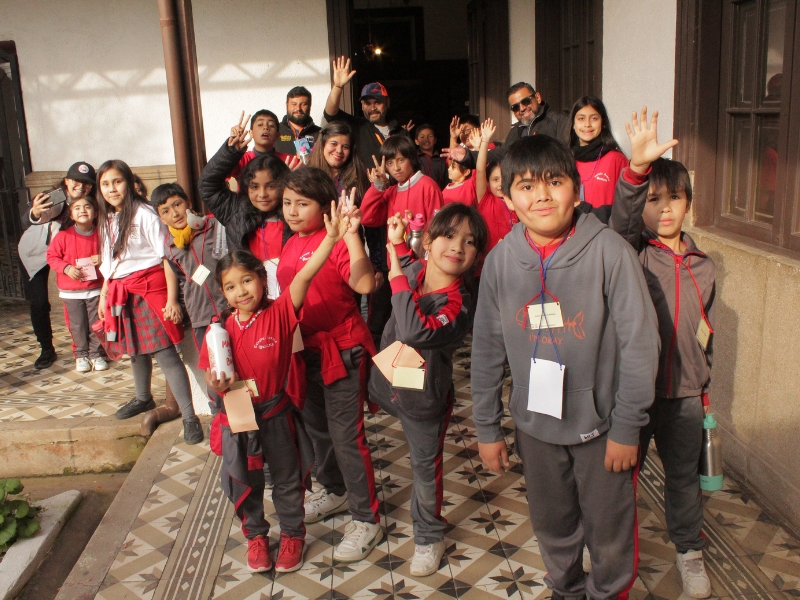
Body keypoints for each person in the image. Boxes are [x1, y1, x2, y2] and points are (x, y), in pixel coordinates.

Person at [471, 134, 660, 600]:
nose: (541, 196)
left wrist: (627, 426)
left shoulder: (609, 251)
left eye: (554, 182)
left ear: (576, 189)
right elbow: (487, 349)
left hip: (603, 430)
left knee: (610, 530)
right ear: (507, 197)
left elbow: (640, 344)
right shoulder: (499, 262)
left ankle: (608, 592)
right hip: (535, 428)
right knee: (552, 523)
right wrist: (487, 428)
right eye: (526, 186)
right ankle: (566, 588)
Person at [200, 202, 351, 573]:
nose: (241, 291)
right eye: (230, 286)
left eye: (247, 281)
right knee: (247, 482)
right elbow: (209, 374)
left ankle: (293, 534)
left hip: (275, 414)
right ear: (223, 293)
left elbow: (303, 278)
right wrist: (214, 383)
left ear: (261, 279)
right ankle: (255, 536)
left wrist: (331, 240)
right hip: (239, 418)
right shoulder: (219, 330)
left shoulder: (280, 313)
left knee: (286, 479)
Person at [609, 108, 714, 599]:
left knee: (683, 479)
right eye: (654, 200)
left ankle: (689, 551)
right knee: (620, 479)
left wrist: (704, 387)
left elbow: (704, 332)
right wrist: (635, 171)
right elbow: (622, 222)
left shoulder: (704, 266)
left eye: (675, 198)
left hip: (686, 395)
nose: (665, 209)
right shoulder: (631, 254)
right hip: (637, 394)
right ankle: (608, 549)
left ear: (689, 203)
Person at [369, 204, 487, 576]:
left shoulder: (458, 306)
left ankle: (428, 536)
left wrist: (395, 278)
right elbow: (408, 262)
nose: (458, 247)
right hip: (389, 383)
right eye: (449, 235)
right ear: (430, 241)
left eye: (470, 241)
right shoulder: (416, 270)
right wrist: (398, 244)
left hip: (424, 400)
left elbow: (412, 331)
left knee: (424, 468)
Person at [276, 169, 382, 563]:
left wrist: (351, 234)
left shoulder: (335, 240)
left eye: (302, 203)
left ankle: (366, 518)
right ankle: (335, 489)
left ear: (325, 206)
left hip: (343, 350)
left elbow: (364, 284)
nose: (292, 211)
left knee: (346, 437)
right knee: (317, 430)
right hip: (304, 351)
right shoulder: (291, 242)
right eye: (287, 203)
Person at [95, 160, 203, 445]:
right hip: (121, 291)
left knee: (165, 353)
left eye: (117, 181)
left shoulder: (144, 214)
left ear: (129, 183)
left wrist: (172, 299)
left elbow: (166, 256)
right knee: (134, 350)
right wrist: (104, 296)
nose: (112, 189)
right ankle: (143, 397)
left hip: (148, 291)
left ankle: (189, 416)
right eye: (105, 184)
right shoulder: (106, 219)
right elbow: (110, 263)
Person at [151, 182, 228, 412]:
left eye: (177, 204)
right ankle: (219, 415)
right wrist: (174, 302)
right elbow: (178, 276)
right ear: (161, 218)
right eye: (166, 211)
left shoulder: (214, 227)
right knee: (213, 368)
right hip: (201, 315)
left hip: (228, 307)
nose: (175, 213)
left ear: (188, 203)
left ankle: (245, 414)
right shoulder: (171, 247)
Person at [198, 118, 292, 296]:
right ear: (246, 186)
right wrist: (230, 152)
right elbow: (207, 184)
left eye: (271, 186)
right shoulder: (236, 210)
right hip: (251, 297)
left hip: (290, 294)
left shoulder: (293, 214)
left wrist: (296, 186)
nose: (262, 194)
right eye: (254, 187)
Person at [18, 161, 96, 369]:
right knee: (39, 302)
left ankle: (91, 347)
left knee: (86, 298)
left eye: (87, 183)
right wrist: (35, 212)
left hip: (68, 255)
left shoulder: (91, 203)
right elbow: (29, 218)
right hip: (35, 253)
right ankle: (46, 349)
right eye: (76, 181)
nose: (81, 186)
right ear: (67, 181)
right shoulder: (55, 197)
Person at [45, 195, 108, 373]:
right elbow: (51, 257)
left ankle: (96, 353)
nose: (82, 210)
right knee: (77, 325)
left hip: (95, 289)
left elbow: (113, 255)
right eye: (77, 208)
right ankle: (81, 355)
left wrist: (102, 258)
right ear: (71, 215)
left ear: (95, 212)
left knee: (97, 323)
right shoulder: (63, 236)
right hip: (71, 291)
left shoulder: (102, 235)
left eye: (87, 206)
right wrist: (66, 268)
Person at [361, 136, 443, 233]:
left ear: (411, 159)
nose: (396, 168)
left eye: (401, 160)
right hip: (395, 243)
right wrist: (378, 185)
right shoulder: (391, 192)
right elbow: (366, 217)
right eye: (390, 163)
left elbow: (438, 228)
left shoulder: (428, 186)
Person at [570, 96, 629, 209]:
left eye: (594, 118)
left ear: (603, 122)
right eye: (581, 119)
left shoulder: (616, 159)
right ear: (573, 124)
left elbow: (628, 202)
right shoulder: (565, 159)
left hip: (605, 220)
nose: (587, 124)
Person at [488, 82, 570, 162]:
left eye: (526, 101)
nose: (522, 108)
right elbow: (502, 153)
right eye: (515, 107)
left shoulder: (559, 122)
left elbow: (567, 156)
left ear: (538, 98)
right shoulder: (515, 131)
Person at [471, 119, 518, 255]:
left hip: (514, 258)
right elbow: (480, 170)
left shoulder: (516, 199)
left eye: (504, 178)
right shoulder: (486, 200)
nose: (500, 184)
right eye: (495, 179)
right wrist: (485, 141)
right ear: (487, 182)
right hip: (488, 259)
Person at [228, 110, 295, 181]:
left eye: (271, 125)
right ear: (251, 133)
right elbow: (220, 172)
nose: (266, 127)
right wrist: (231, 151)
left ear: (277, 135)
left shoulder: (291, 161)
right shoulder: (241, 159)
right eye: (260, 124)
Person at [274, 86, 322, 158]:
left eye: (303, 104)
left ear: (310, 106)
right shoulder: (275, 131)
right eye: (294, 104)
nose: (298, 108)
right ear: (287, 105)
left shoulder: (320, 134)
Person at [414, 124, 448, 190]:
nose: (426, 139)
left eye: (430, 136)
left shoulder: (442, 160)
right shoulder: (413, 159)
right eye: (422, 137)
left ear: (435, 140)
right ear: (416, 141)